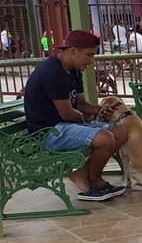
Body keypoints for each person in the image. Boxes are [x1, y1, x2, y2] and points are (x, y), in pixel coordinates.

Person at [21, 29, 127, 201]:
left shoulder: (74, 70)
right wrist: (89, 119)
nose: (92, 61)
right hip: (48, 132)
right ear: (72, 51)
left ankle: (82, 174)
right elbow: (67, 114)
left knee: (120, 132)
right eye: (89, 55)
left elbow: (81, 104)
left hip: (65, 126)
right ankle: (95, 181)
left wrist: (98, 111)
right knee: (105, 138)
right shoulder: (52, 72)